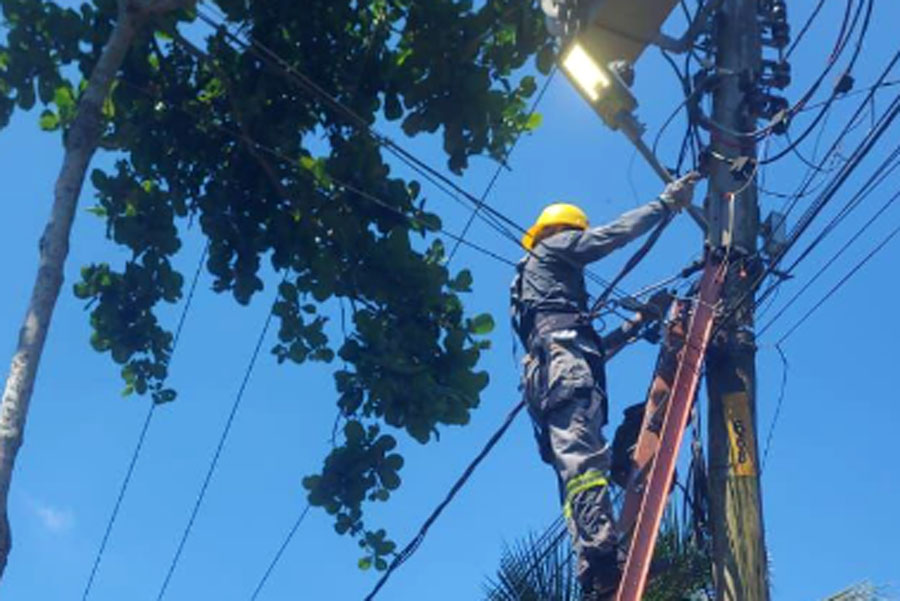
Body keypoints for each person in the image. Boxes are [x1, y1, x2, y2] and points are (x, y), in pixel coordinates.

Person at [510, 173, 700, 600]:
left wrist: (638, 323)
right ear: (560, 233)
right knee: (584, 464)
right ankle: (602, 557)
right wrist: (666, 204)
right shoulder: (553, 247)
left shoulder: (549, 310)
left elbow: (592, 344)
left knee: (578, 472)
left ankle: (595, 572)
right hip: (562, 374)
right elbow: (608, 238)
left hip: (553, 377)